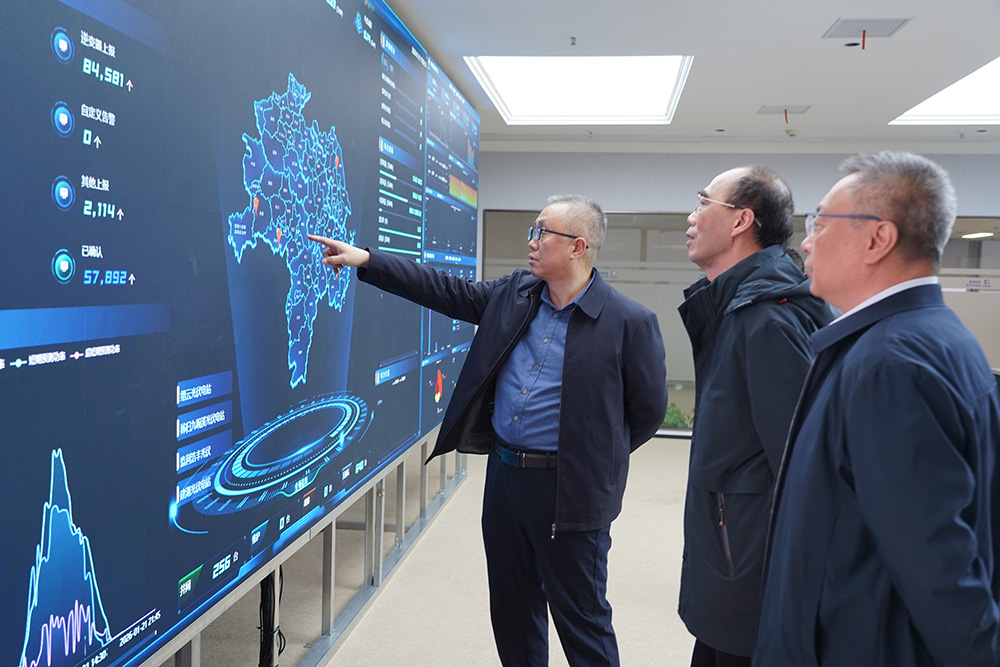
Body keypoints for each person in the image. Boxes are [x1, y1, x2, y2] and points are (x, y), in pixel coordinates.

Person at [308, 194, 668, 666]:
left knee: (581, 617)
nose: (532, 241)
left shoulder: (629, 322)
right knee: (513, 610)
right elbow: (444, 290)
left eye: (543, 232)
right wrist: (369, 261)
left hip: (570, 489)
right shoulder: (515, 293)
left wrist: (592, 454)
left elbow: (647, 412)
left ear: (578, 246)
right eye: (533, 230)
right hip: (505, 477)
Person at [754, 151, 1000, 665]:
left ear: (877, 239)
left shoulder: (889, 364)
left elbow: (938, 563)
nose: (806, 240)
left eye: (820, 222)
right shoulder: (934, 335)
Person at [677, 166, 832, 666]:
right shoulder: (735, 308)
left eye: (703, 203)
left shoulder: (767, 320)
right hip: (731, 559)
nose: (691, 216)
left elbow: (803, 467)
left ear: (741, 220)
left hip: (749, 571)